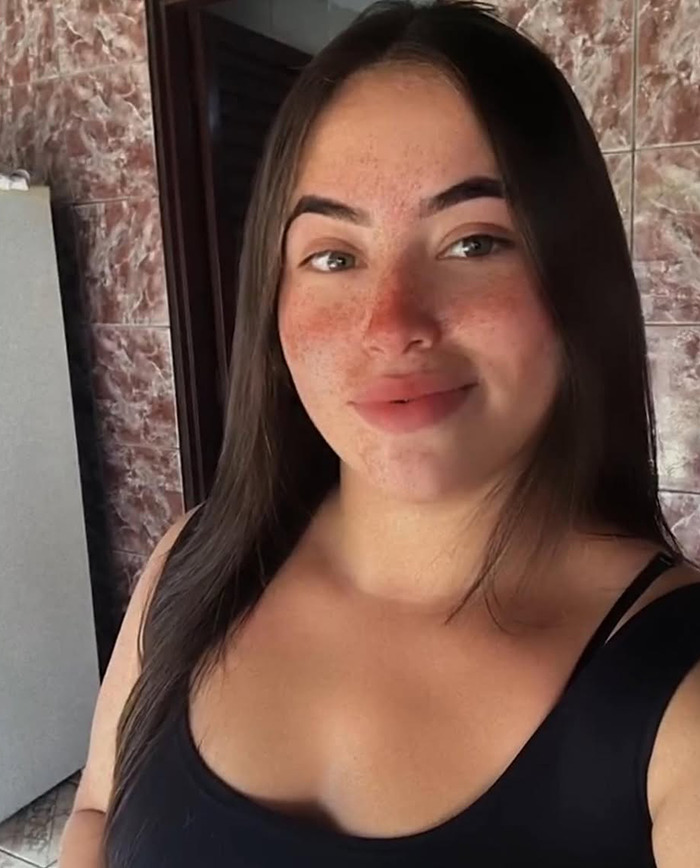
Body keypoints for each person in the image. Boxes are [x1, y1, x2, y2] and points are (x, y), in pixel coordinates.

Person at [60, 2, 700, 866]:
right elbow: (97, 812)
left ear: (575, 282)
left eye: (474, 242)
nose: (392, 323)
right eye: (334, 256)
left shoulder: (680, 696)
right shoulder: (195, 566)